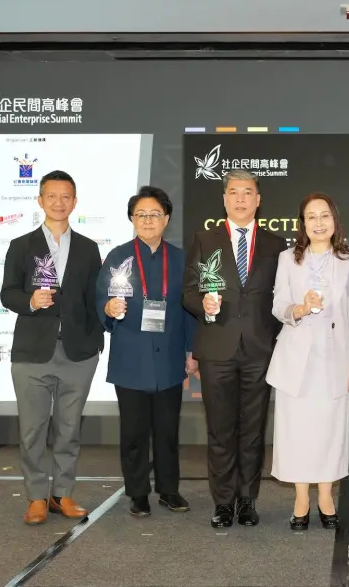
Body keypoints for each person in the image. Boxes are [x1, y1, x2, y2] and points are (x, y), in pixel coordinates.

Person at [182, 169, 287, 528]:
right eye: (234, 192)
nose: (241, 198)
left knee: (254, 429)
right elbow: (189, 292)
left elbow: (282, 298)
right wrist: (203, 305)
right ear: (224, 199)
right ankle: (223, 502)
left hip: (259, 348)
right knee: (220, 429)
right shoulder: (203, 239)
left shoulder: (276, 245)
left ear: (258, 200)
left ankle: (248, 500)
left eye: (248, 192)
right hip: (217, 347)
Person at [0, 170, 104, 525]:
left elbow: (95, 298)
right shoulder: (22, 245)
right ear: (40, 200)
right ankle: (35, 498)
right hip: (32, 352)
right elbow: (7, 293)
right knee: (32, 429)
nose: (59, 203)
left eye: (66, 197)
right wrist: (30, 299)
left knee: (69, 428)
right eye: (52, 196)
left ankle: (62, 494)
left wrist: (98, 337)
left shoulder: (89, 248)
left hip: (78, 353)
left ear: (75, 202)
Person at [96, 186, 199, 517]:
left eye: (155, 214)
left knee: (168, 430)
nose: (148, 220)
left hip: (169, 356)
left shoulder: (181, 259)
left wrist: (191, 350)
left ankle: (169, 489)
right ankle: (137, 492)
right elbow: (100, 300)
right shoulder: (118, 258)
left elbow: (189, 310)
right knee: (134, 431)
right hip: (132, 357)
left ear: (166, 219)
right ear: (131, 219)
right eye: (141, 214)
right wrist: (108, 308)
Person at [267, 193, 349, 531]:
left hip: (334, 358)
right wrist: (300, 308)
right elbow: (278, 305)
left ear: (335, 221)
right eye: (312, 217)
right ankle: (301, 498)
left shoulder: (348, 261)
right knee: (296, 432)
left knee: (330, 430)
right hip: (296, 358)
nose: (319, 222)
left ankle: (326, 496)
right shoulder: (287, 259)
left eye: (325, 216)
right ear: (303, 223)